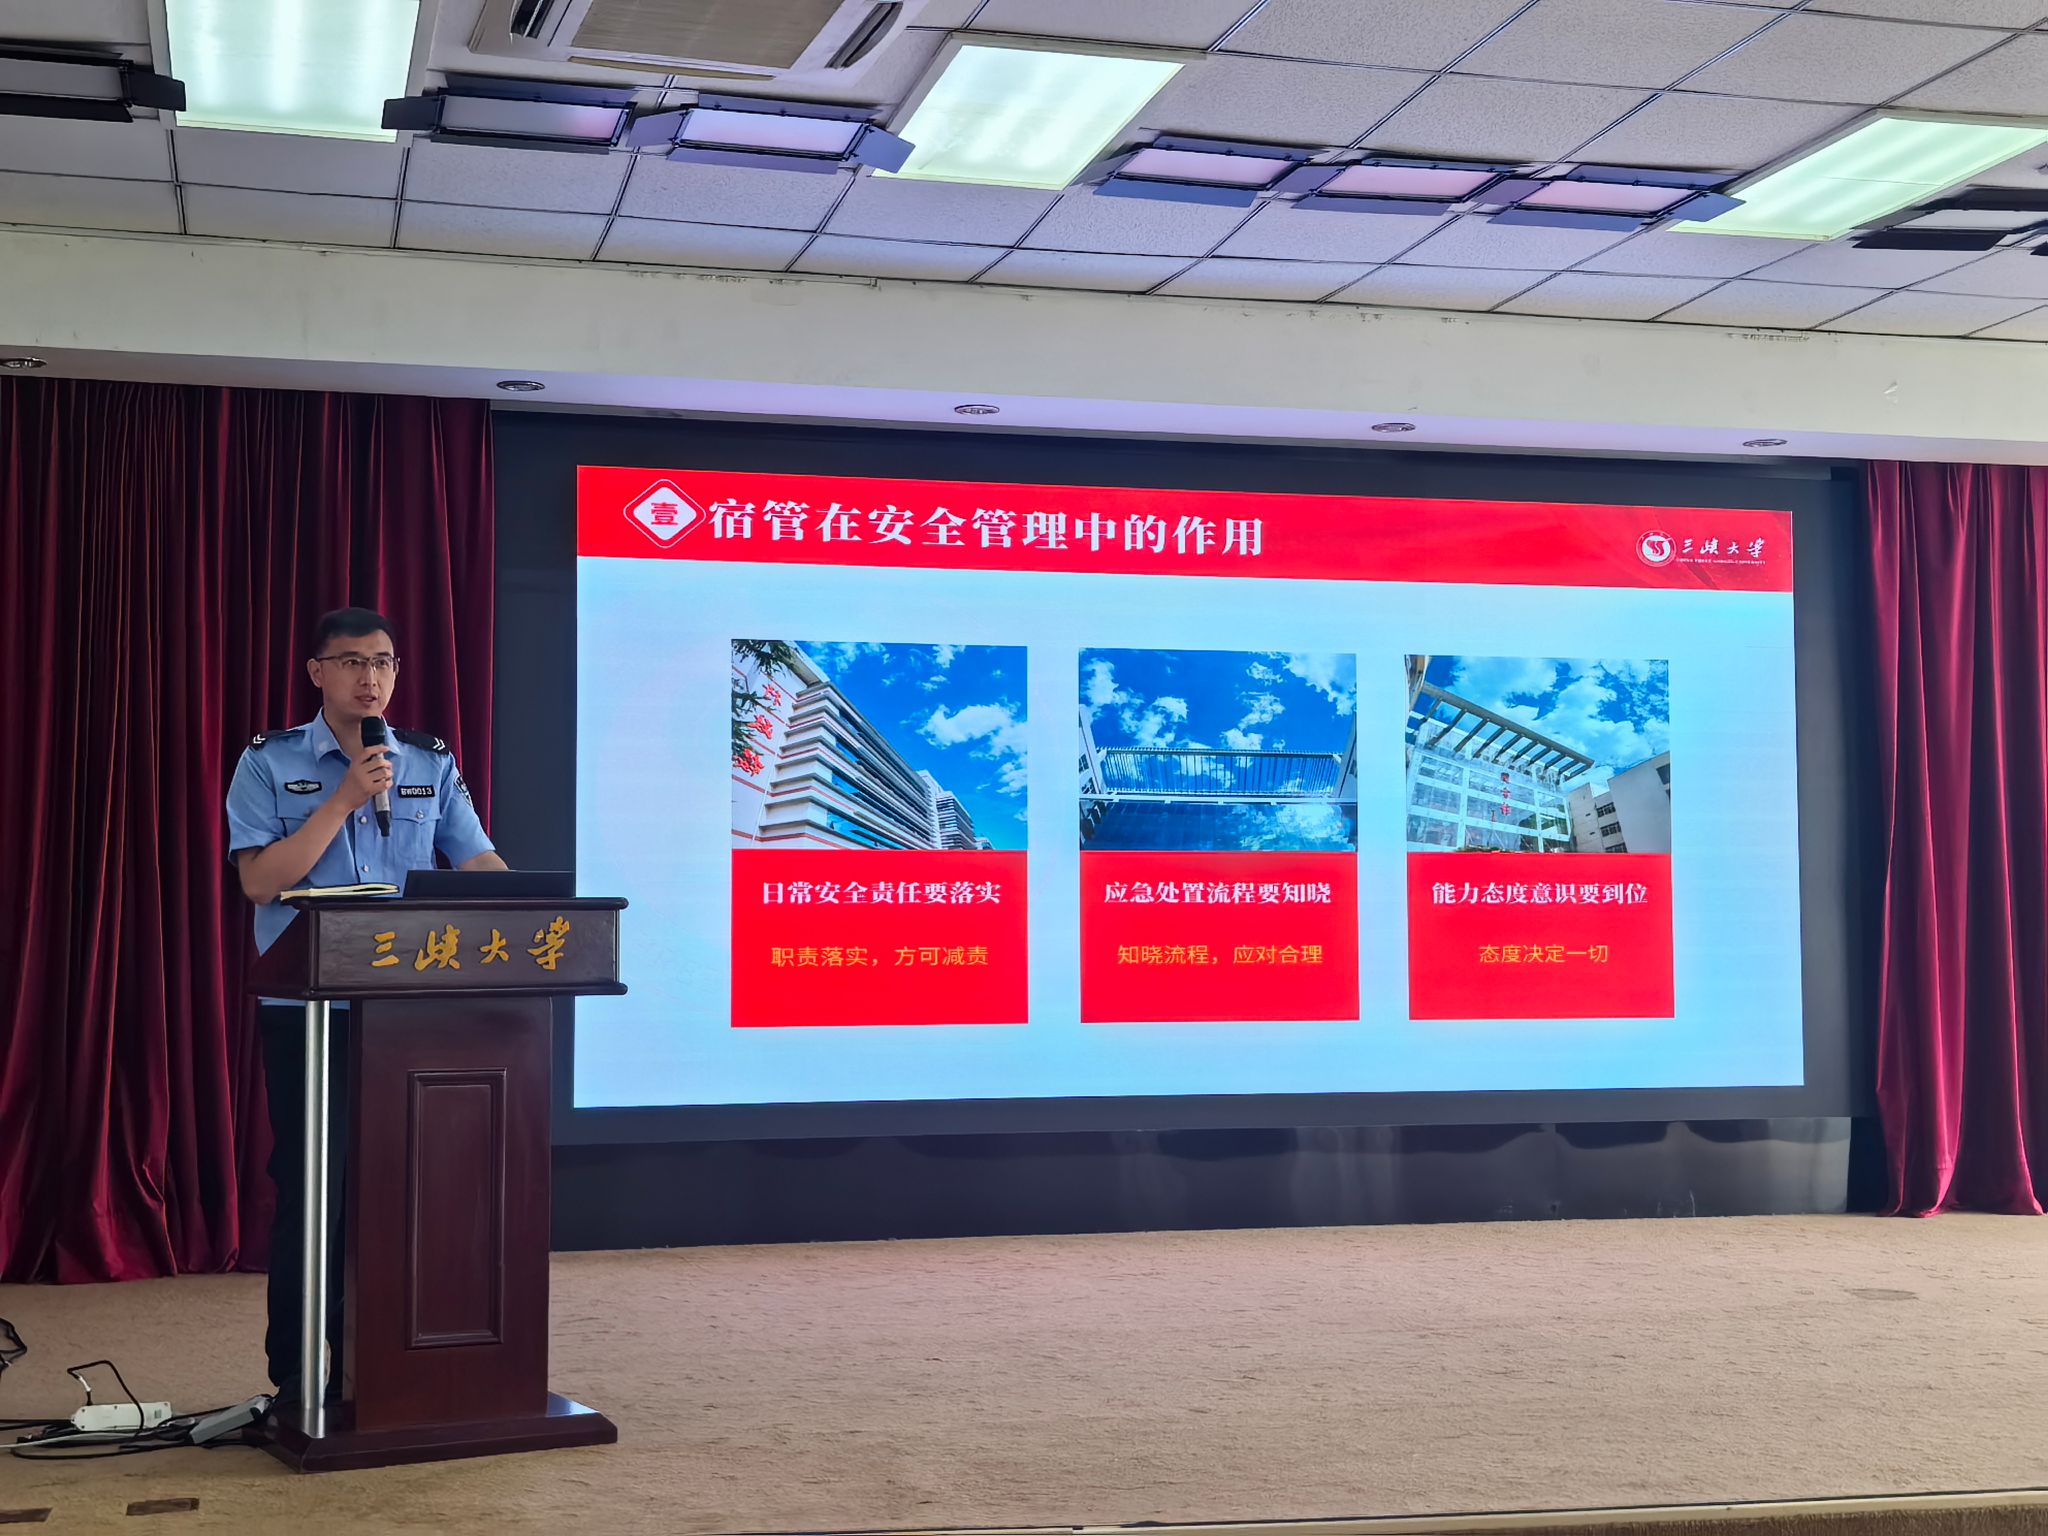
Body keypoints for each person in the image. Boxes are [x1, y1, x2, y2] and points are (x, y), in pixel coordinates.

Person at [225, 606, 507, 1408]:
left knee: (396, 1191)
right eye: (352, 661)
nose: (370, 677)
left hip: (407, 1013)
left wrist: (536, 909)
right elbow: (260, 883)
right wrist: (344, 798)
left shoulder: (427, 761)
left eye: (382, 662)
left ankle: (376, 1366)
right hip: (311, 1012)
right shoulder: (269, 761)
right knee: (315, 1189)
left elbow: (476, 858)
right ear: (318, 672)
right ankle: (297, 1376)